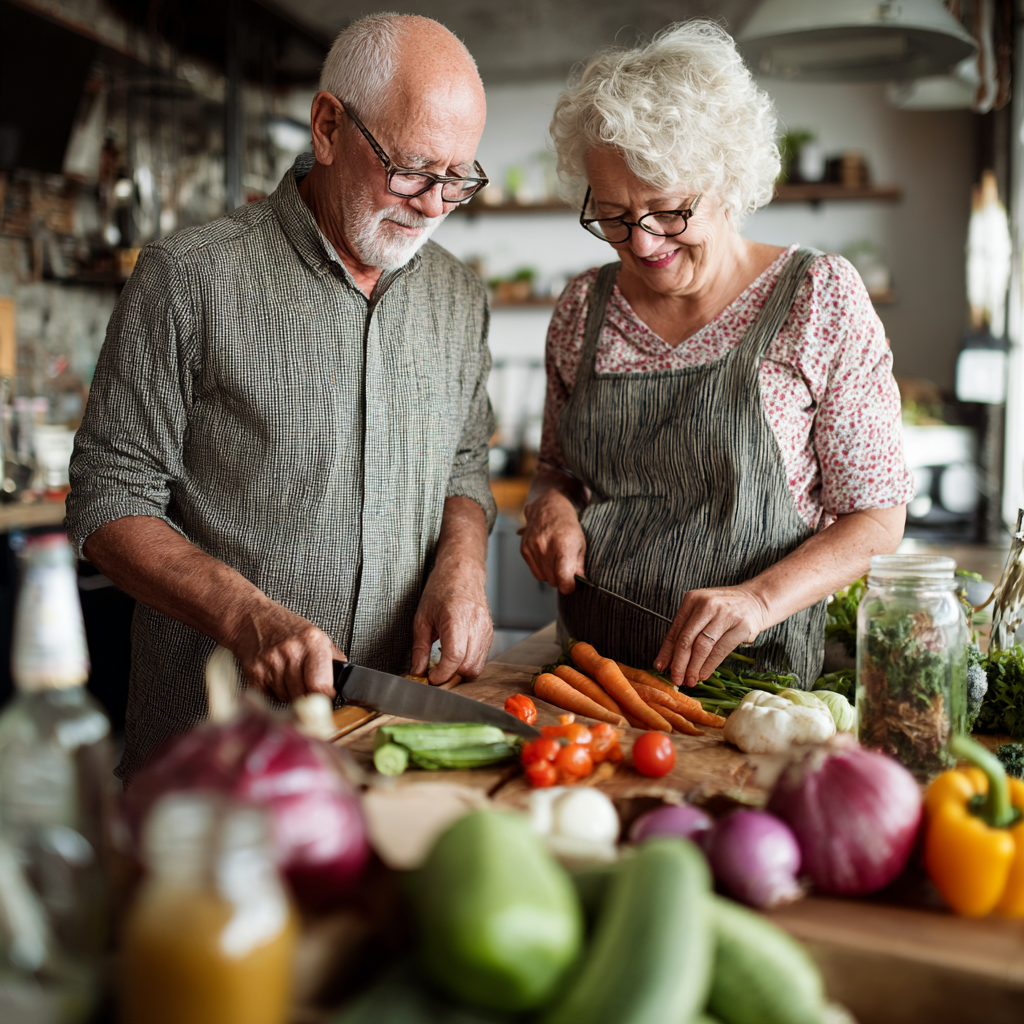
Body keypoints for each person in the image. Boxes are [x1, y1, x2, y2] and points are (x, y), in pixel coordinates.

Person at [67, 14, 496, 780]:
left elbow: (463, 465)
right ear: (328, 126)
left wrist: (462, 564)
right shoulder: (188, 277)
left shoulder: (460, 297)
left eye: (457, 178)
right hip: (212, 760)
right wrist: (246, 616)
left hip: (389, 747)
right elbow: (107, 502)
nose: (434, 205)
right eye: (412, 170)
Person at [520, 21, 913, 690]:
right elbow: (555, 470)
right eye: (613, 217)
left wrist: (759, 600)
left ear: (728, 181)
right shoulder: (583, 307)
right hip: (593, 680)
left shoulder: (817, 298)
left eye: (669, 211)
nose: (642, 243)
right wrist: (549, 509)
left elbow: (876, 519)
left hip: (755, 689)